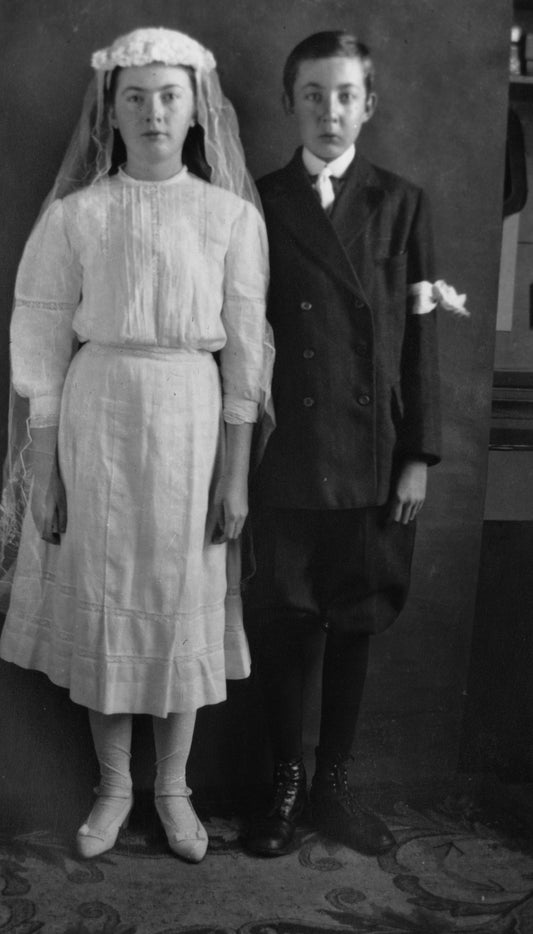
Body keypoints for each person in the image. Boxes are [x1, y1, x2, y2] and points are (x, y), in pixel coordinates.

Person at [0, 27, 272, 864]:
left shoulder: (227, 216)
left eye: (169, 96)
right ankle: (114, 784)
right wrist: (44, 472)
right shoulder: (78, 217)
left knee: (176, 600)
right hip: (99, 419)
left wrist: (234, 479)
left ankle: (173, 787)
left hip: (190, 422)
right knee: (107, 597)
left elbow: (243, 347)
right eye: (134, 97)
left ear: (196, 110)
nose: (153, 112)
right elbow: (42, 344)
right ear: (109, 113)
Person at [245, 30, 465, 858]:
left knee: (355, 620)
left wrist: (418, 453)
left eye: (344, 96)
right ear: (289, 104)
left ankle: (334, 784)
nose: (329, 112)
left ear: (367, 105)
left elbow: (421, 344)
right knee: (285, 620)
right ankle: (284, 783)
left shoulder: (401, 202)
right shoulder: (259, 201)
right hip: (288, 454)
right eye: (312, 95)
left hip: (375, 457)